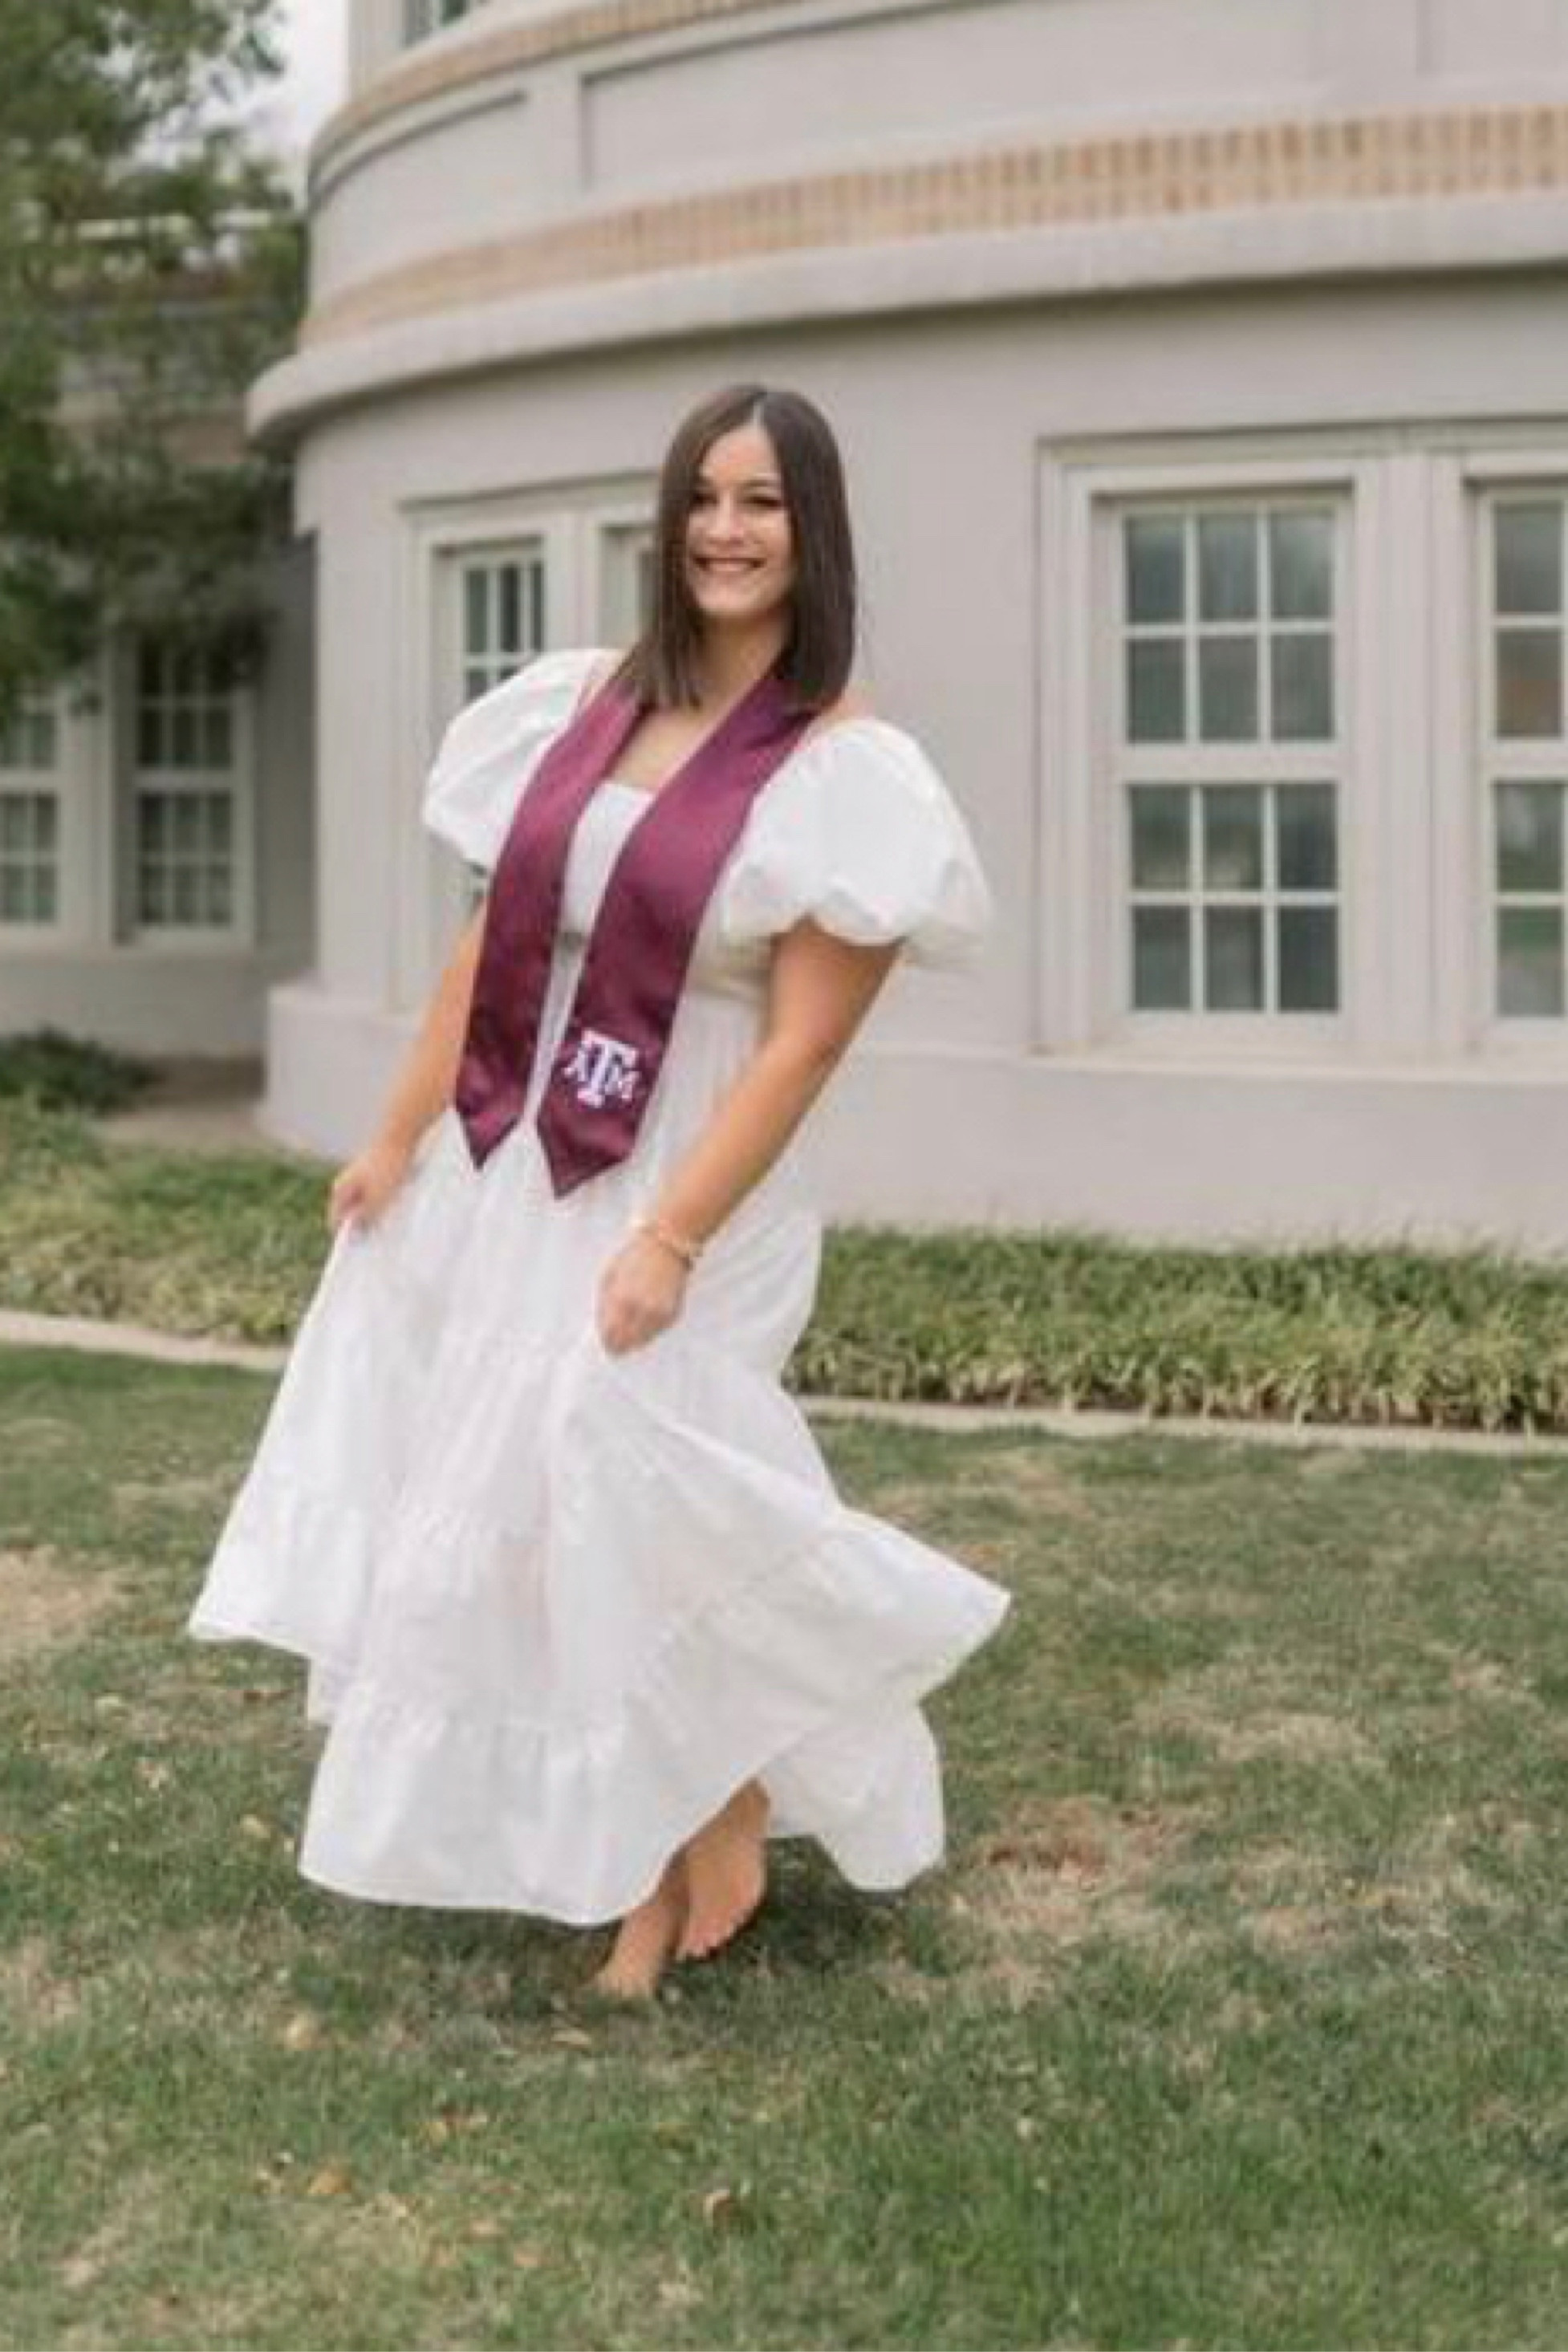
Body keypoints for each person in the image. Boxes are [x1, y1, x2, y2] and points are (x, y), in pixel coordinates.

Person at [187, 380, 1012, 2004]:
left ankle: (681, 1830)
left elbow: (799, 1046)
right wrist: (395, 1133)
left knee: (631, 1473)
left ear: (811, 526)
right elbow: (493, 951)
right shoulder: (580, 705)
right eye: (703, 494)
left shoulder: (844, 771)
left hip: (687, 1157)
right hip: (523, 1151)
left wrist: (670, 1237)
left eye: (762, 500)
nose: (724, 527)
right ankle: (689, 1810)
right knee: (532, 1502)